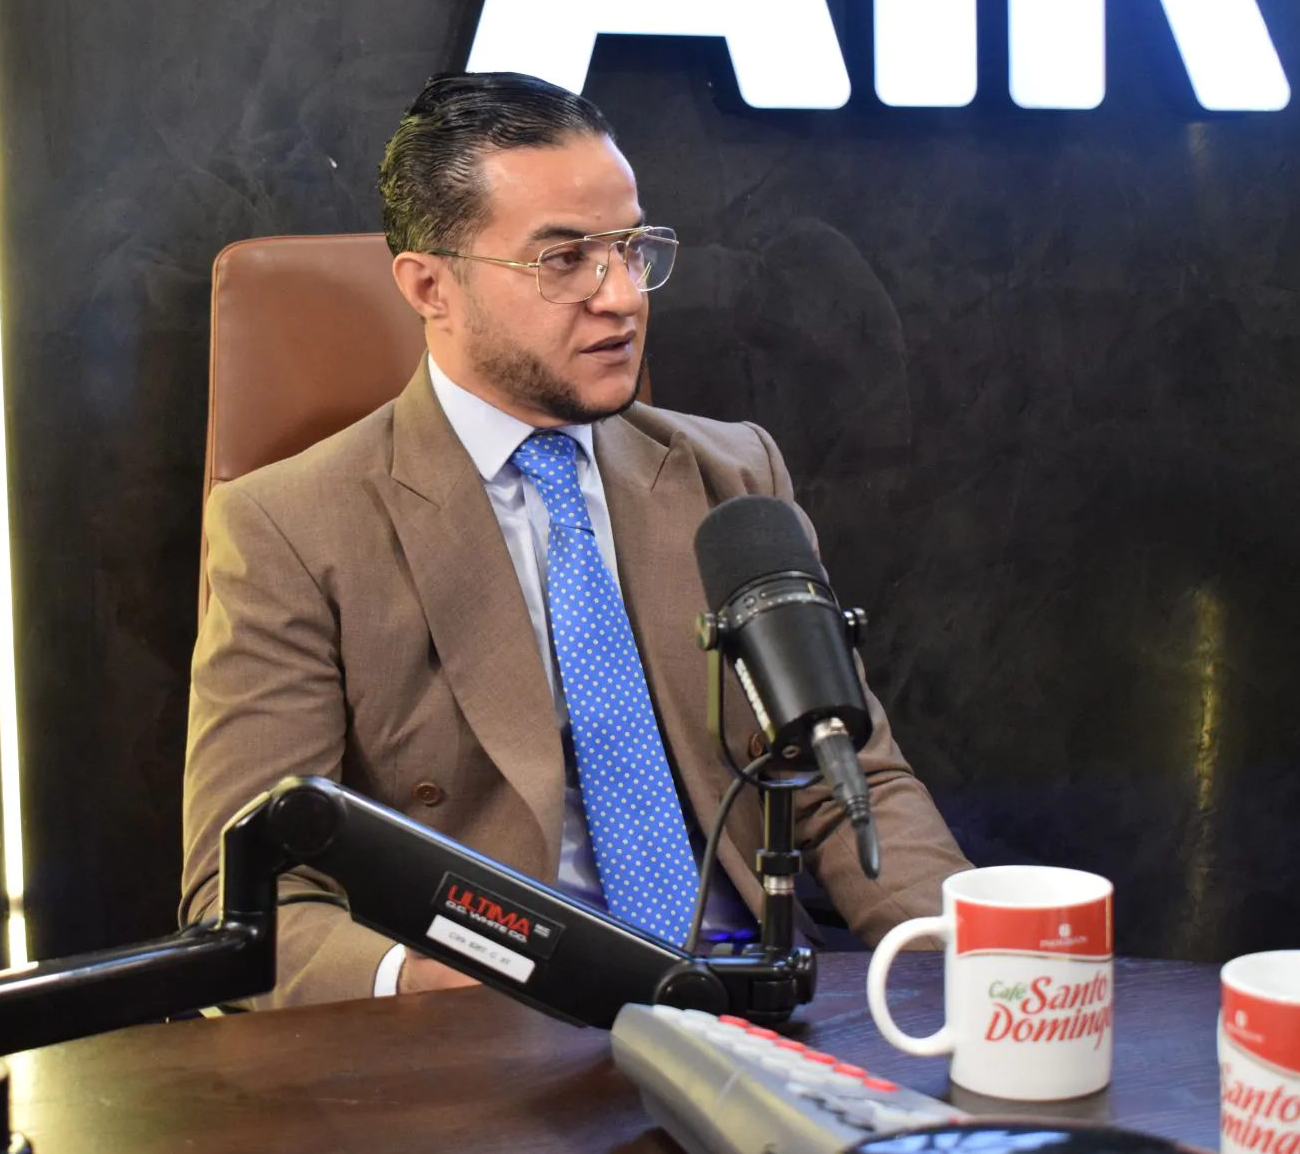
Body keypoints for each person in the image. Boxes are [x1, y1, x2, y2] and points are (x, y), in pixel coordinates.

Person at [180, 72, 970, 1006]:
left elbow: (845, 779)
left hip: (755, 998)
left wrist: (966, 959)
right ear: (430, 286)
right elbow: (243, 894)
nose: (622, 297)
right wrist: (429, 987)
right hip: (494, 1020)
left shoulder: (732, 477)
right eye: (564, 260)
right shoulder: (291, 526)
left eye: (633, 249)